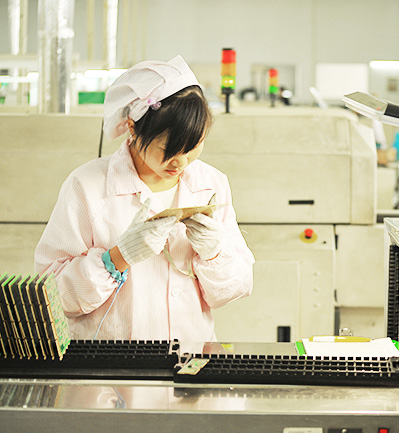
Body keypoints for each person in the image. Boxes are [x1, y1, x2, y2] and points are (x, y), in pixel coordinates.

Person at [35, 55, 254, 345]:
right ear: (132, 127)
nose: (181, 162)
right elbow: (50, 297)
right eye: (168, 149)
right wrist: (118, 257)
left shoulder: (211, 183)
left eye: (193, 147)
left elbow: (234, 290)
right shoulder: (88, 186)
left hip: (191, 356)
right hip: (111, 361)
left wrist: (214, 253)